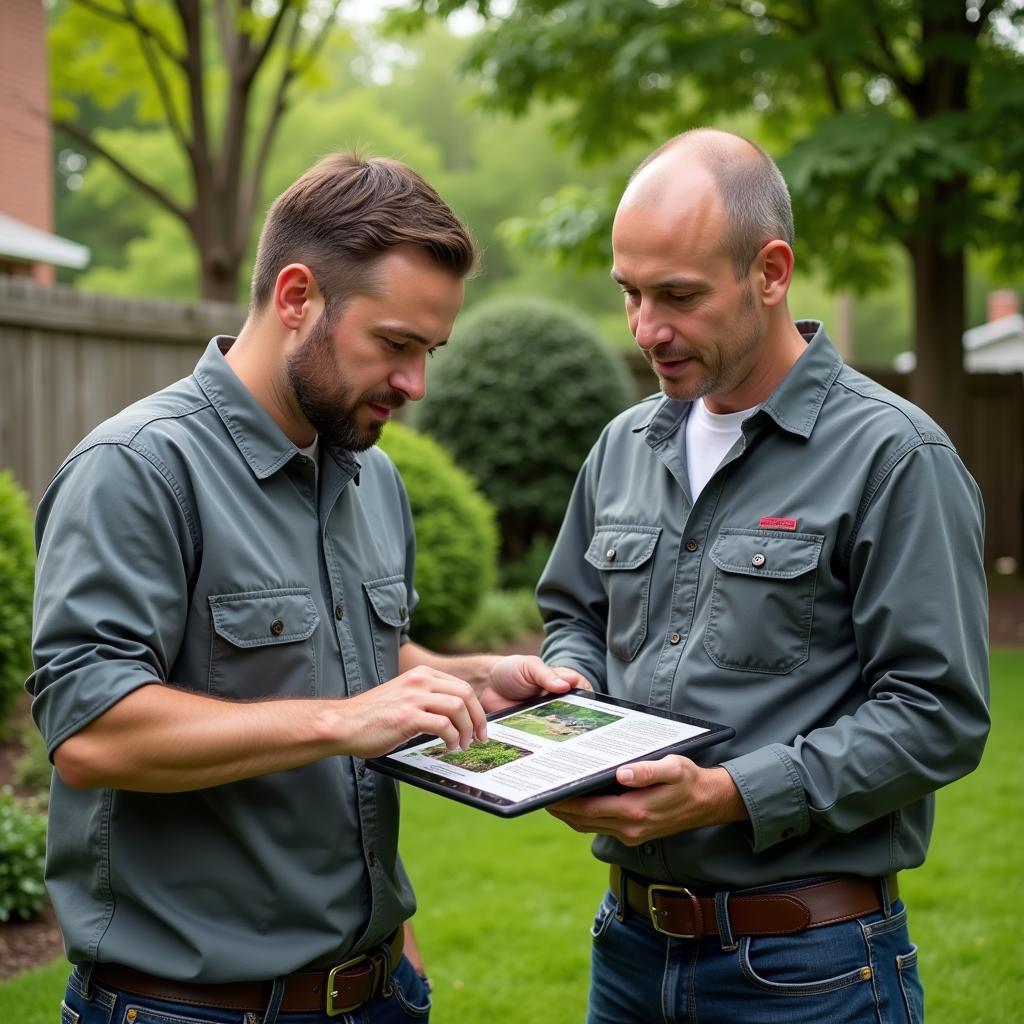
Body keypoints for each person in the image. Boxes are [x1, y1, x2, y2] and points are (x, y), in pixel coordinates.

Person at [29, 153, 579, 1024]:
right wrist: (343, 723)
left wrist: (469, 678)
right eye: (395, 345)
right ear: (296, 299)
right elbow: (92, 733)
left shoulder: (371, 478)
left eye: (429, 351)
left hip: (378, 989)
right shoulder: (136, 470)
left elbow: (346, 656)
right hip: (192, 1008)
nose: (415, 384)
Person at [536, 129, 990, 1024]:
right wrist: (572, 701)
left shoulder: (894, 458)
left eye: (678, 296)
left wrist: (725, 795)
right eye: (629, 293)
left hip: (807, 973)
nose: (646, 329)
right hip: (626, 956)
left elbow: (938, 714)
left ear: (771, 272)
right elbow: (573, 615)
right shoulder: (623, 446)